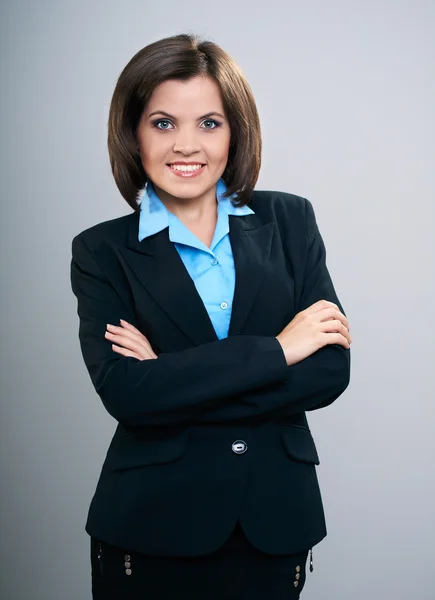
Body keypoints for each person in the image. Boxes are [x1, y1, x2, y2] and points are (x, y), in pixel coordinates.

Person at [70, 32, 352, 600]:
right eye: (163, 123)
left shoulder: (290, 221)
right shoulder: (102, 251)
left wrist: (174, 379)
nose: (186, 146)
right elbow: (129, 395)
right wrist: (278, 351)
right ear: (133, 133)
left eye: (209, 123)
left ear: (235, 131)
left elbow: (328, 372)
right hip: (151, 525)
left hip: (274, 521)